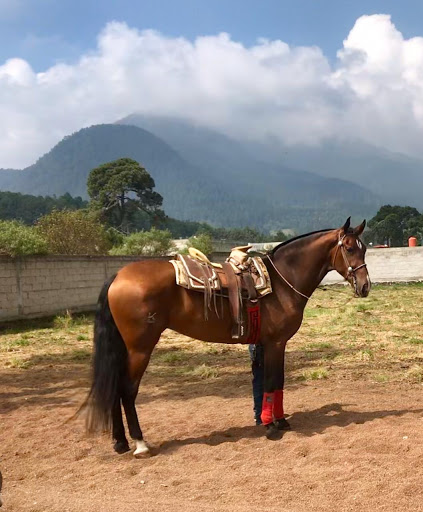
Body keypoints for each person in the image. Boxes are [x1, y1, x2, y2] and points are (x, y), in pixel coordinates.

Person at [248, 343, 264, 425]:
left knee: (259, 379)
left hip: (256, 347)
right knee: (260, 380)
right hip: (258, 347)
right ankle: (259, 415)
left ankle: (260, 413)